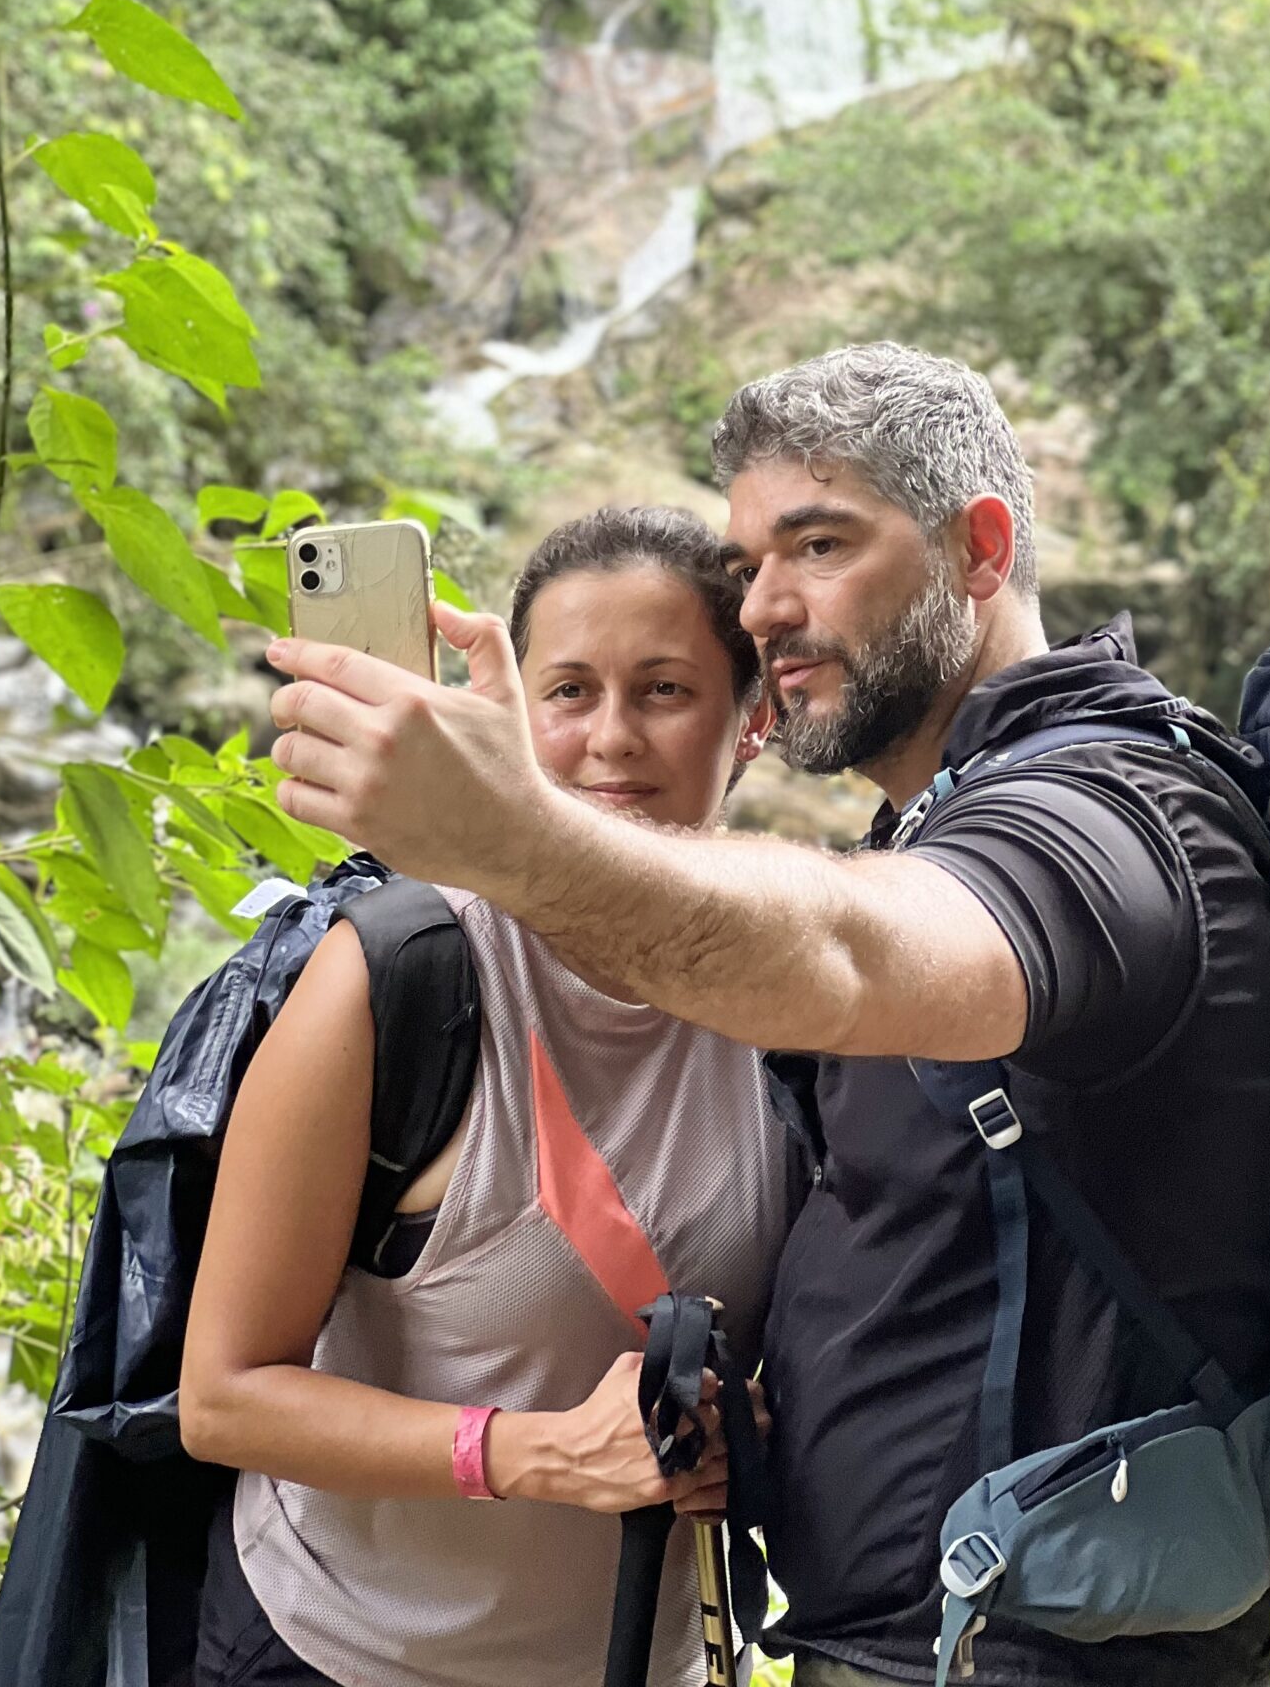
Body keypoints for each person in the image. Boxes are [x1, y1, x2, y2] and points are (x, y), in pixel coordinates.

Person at [265, 345, 1270, 1687]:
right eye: (751, 563)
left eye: (819, 544)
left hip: (1037, 1654)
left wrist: (512, 836)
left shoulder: (1102, 827)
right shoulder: (944, 819)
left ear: (980, 550)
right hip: (922, 1636)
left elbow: (846, 952)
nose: (763, 607)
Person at [181, 506, 792, 1687]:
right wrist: (537, 1453)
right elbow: (224, 1397)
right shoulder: (400, 977)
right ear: (514, 714)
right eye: (568, 691)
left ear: (752, 720)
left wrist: (748, 1429)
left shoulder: (800, 996)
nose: (610, 737)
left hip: (636, 1660)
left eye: (665, 689)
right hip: (336, 1651)